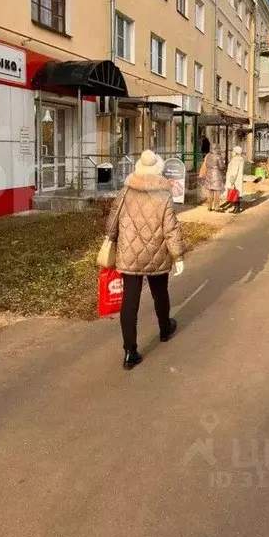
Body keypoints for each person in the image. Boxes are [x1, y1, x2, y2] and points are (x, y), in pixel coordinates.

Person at [106, 150, 185, 370]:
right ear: (158, 169)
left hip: (129, 254)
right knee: (160, 293)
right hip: (157, 253)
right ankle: (164, 330)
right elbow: (170, 229)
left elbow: (112, 223)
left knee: (130, 301)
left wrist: (111, 241)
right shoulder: (164, 195)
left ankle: (130, 352)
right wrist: (178, 256)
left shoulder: (125, 191)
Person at [203, 143, 225, 212]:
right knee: (217, 192)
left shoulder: (208, 156)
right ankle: (216, 207)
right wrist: (224, 164)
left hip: (209, 175)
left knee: (209, 191)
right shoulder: (218, 156)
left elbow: (206, 164)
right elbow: (221, 167)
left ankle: (209, 207)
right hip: (216, 175)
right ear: (217, 148)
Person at [225, 146, 245, 213]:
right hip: (238, 179)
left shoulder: (235, 160)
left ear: (236, 152)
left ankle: (237, 209)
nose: (232, 152)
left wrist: (231, 181)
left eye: (233, 151)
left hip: (235, 180)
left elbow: (234, 171)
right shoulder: (241, 159)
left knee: (235, 193)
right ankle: (237, 208)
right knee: (237, 194)